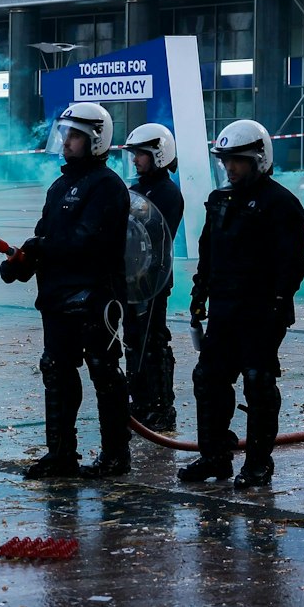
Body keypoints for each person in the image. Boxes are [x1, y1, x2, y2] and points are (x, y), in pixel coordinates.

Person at [0, 102, 130, 480]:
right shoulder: (60, 186)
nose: (67, 141)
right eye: (65, 134)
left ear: (96, 140)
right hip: (57, 299)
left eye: (75, 135)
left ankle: (115, 455)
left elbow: (85, 242)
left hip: (94, 298)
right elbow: (47, 237)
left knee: (104, 373)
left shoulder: (107, 186)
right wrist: (22, 264)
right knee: (56, 371)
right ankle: (60, 455)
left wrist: (39, 248)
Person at [180, 120, 304, 489]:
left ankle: (257, 464)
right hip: (224, 310)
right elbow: (208, 254)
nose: (230, 167)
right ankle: (215, 456)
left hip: (261, 312)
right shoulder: (220, 201)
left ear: (258, 159)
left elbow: (292, 264)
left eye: (237, 160)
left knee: (258, 381)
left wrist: (278, 304)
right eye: (225, 160)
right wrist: (199, 296)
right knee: (208, 379)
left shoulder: (281, 204)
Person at [122, 123, 183, 433]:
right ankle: (140, 401)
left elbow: (157, 234)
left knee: (153, 341)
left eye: (141, 154)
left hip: (153, 279)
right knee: (133, 341)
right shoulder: (136, 190)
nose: (135, 160)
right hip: (132, 279)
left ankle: (161, 406)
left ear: (158, 154)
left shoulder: (168, 193)